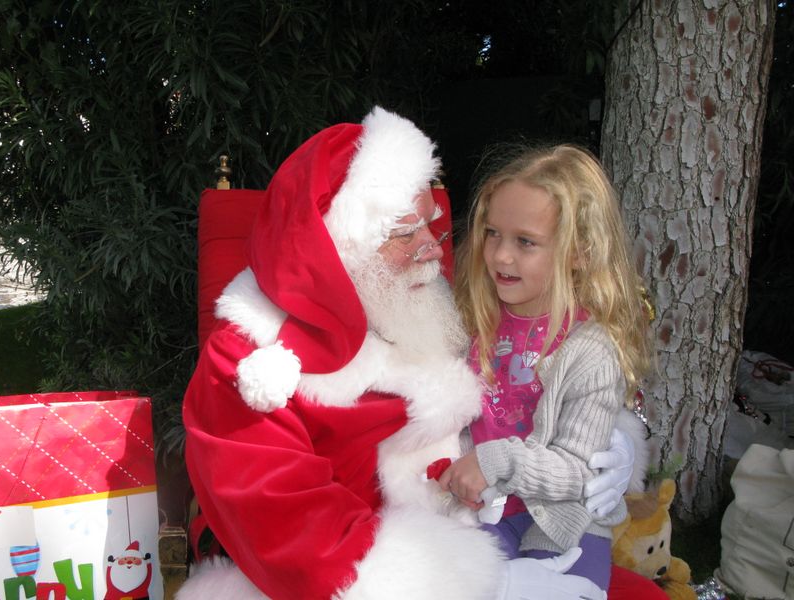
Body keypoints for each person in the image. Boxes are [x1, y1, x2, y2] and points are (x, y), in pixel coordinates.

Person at [177, 108, 658, 599]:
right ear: (339, 248)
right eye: (405, 233)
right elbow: (289, 530)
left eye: (431, 225)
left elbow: (523, 392)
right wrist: (485, 580)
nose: (433, 249)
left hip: (486, 524)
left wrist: (610, 443)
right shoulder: (249, 361)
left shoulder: (422, 308)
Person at [438, 144, 654, 597]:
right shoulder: (473, 318)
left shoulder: (590, 348)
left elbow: (580, 471)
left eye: (525, 241)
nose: (499, 256)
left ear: (579, 251)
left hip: (563, 526)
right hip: (478, 513)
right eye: (493, 233)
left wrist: (495, 460)